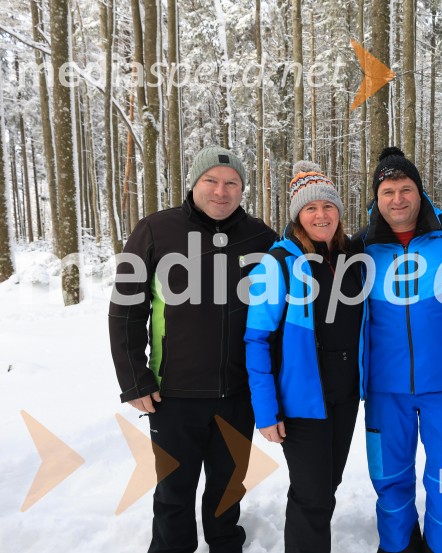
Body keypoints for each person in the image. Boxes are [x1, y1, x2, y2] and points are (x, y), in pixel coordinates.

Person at [109, 145, 277, 553]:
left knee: (228, 488)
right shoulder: (155, 230)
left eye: (231, 183)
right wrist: (134, 379)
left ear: (242, 189)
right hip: (174, 394)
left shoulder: (263, 238)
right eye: (211, 181)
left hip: (238, 393)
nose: (221, 191)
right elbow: (126, 312)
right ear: (194, 183)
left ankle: (225, 545)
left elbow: (280, 320)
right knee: (173, 492)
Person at [354, 147, 442, 553]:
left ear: (420, 192)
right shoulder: (360, 247)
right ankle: (399, 547)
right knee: (390, 479)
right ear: (376, 198)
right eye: (388, 191)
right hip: (384, 388)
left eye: (406, 189)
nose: (398, 199)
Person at [245, 161, 364, 553]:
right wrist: (266, 409)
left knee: (326, 487)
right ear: (298, 215)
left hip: (344, 397)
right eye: (311, 208)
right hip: (301, 402)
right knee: (311, 496)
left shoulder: (350, 259)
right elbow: (257, 339)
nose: (321, 215)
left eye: (328, 207)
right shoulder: (277, 263)